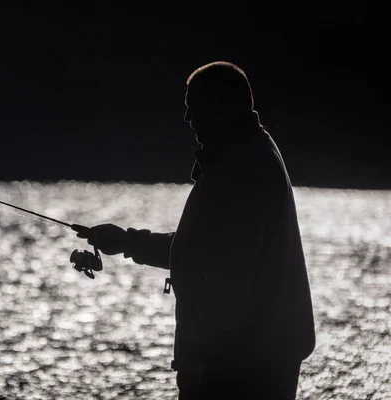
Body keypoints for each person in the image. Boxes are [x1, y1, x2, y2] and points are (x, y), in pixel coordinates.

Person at [74, 61, 316, 399]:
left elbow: (231, 278)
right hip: (252, 361)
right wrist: (128, 241)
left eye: (194, 107)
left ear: (221, 107)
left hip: (241, 371)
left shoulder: (244, 171)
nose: (188, 118)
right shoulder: (245, 156)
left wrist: (203, 358)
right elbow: (204, 249)